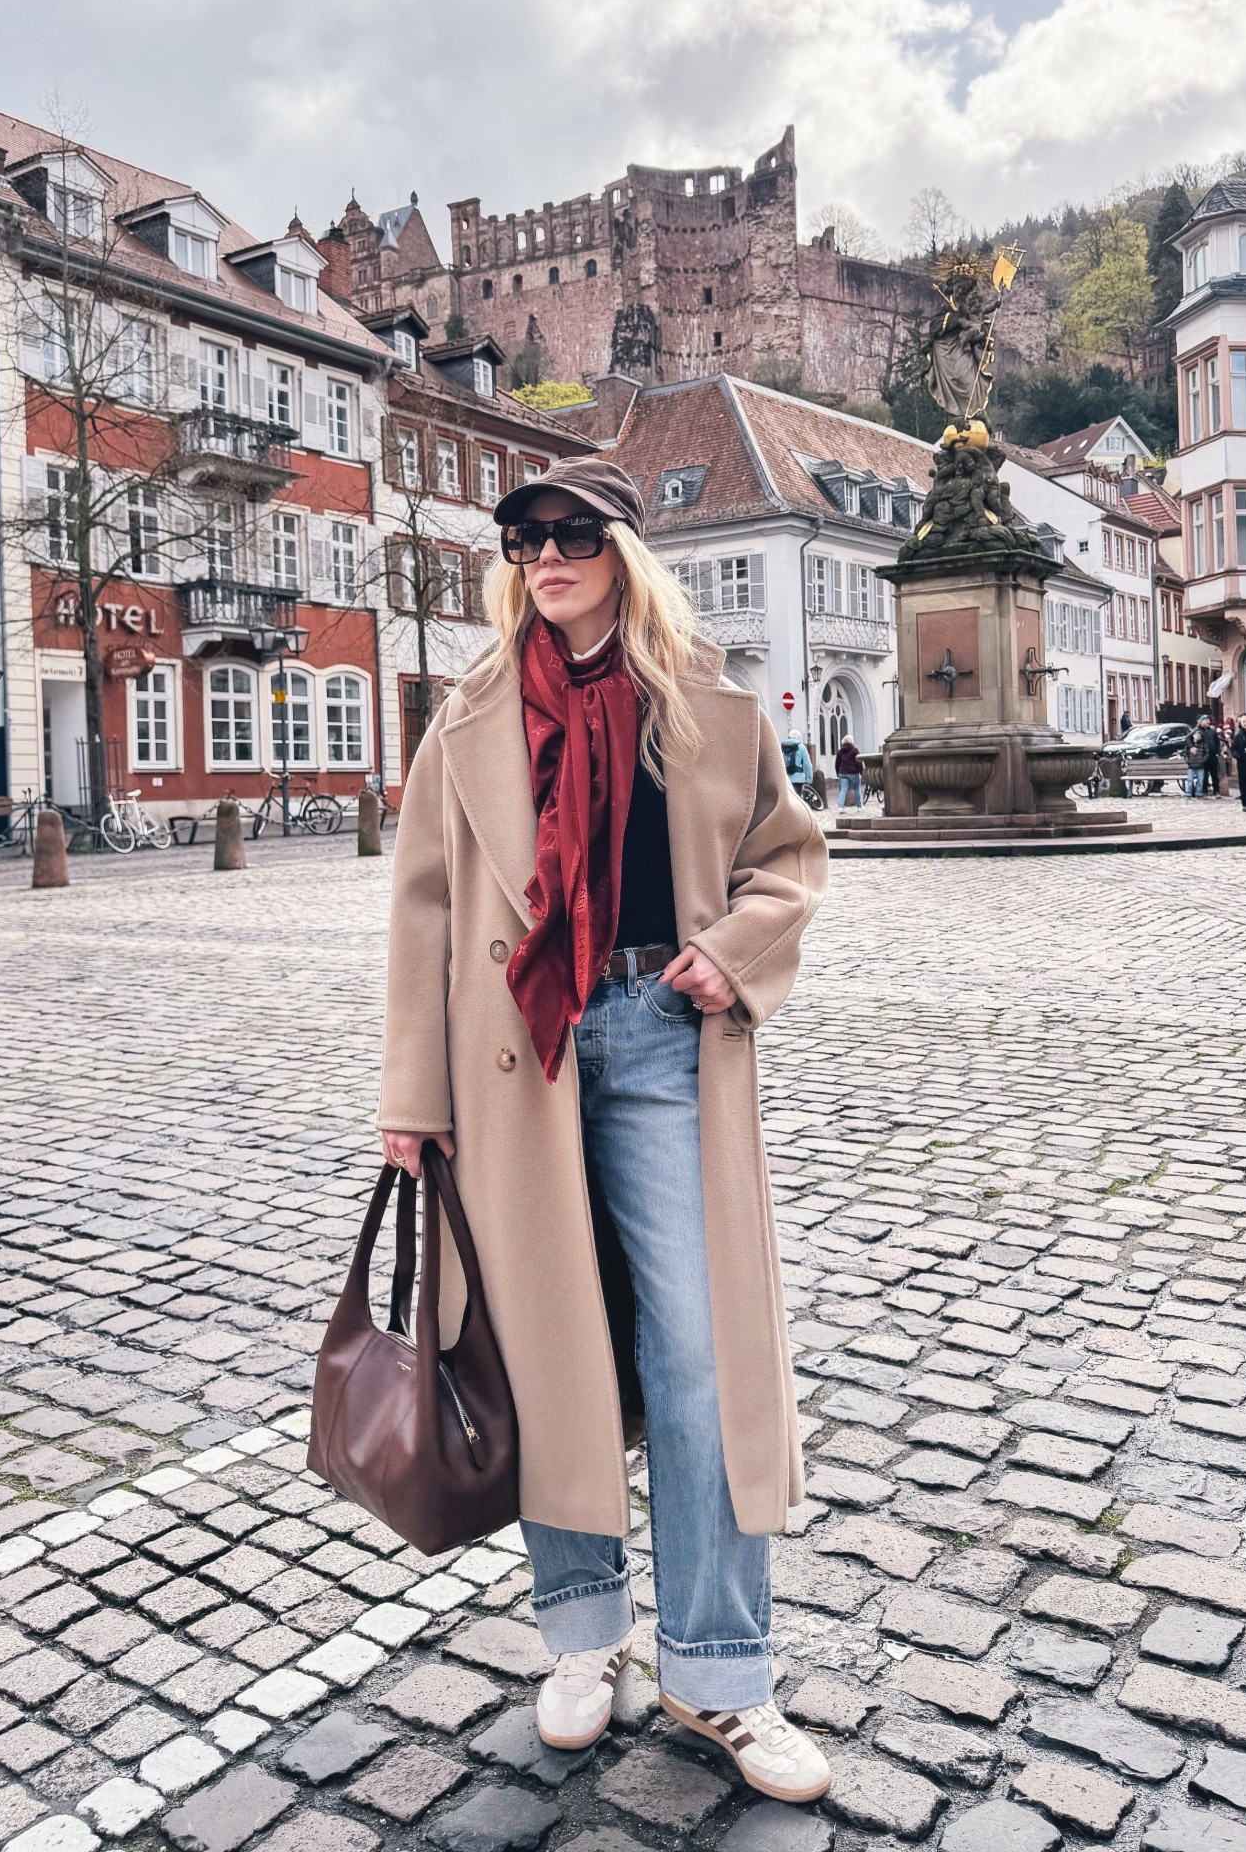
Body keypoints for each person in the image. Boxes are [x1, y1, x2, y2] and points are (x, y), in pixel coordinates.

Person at [377, 456, 832, 1803]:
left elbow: (788, 860)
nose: (547, 558)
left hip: (660, 1037)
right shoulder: (468, 716)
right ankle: (583, 1635)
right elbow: (422, 915)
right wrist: (412, 1099)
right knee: (546, 1354)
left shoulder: (707, 702)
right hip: (514, 1058)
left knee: (698, 1354)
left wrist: (732, 953)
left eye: (572, 535)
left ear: (624, 550)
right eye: (524, 539)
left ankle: (720, 1670)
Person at [835, 733, 864, 809]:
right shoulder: (855, 750)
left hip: (842, 773)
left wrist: (838, 772)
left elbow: (837, 763)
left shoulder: (840, 751)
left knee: (843, 789)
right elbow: (858, 762)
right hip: (853, 773)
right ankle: (859, 806)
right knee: (857, 789)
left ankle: (840, 807)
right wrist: (861, 772)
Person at [1184, 723, 1209, 799]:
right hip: (1191, 766)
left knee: (1200, 780)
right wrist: (1188, 761)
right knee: (1190, 780)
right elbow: (1185, 753)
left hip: (1200, 765)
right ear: (1193, 735)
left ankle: (1199, 793)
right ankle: (1188, 793)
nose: (1198, 737)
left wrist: (1203, 760)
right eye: (1197, 735)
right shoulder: (1189, 745)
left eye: (1199, 736)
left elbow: (1207, 753)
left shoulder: (1203, 745)